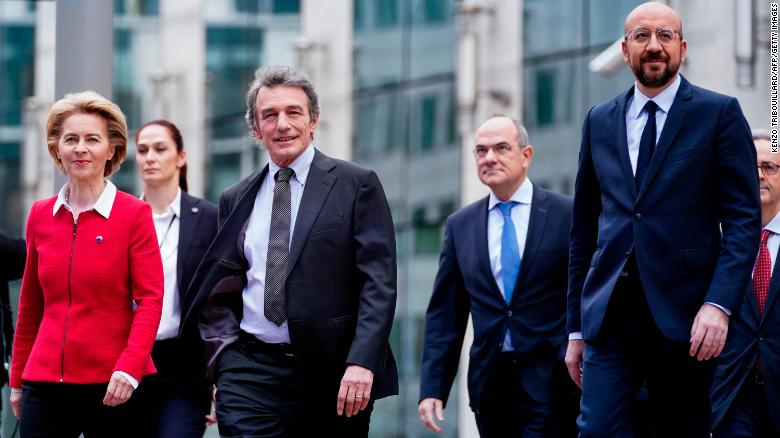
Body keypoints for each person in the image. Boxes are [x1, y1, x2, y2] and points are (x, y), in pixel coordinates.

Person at [565, 3, 760, 437]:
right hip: (611, 315)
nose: (654, 46)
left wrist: (719, 304)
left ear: (682, 47)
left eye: (665, 36)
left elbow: (744, 221)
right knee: (596, 430)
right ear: (625, 48)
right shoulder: (599, 121)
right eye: (642, 36)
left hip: (688, 317)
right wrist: (576, 328)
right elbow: (583, 232)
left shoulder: (718, 114)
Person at [179, 65, 398, 437]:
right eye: (270, 115)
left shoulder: (355, 184)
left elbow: (379, 283)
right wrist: (223, 363)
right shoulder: (236, 197)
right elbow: (225, 287)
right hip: (250, 371)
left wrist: (363, 361)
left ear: (313, 121)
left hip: (333, 372)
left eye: (293, 112)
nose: (283, 124)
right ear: (255, 129)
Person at [9, 91, 163, 437]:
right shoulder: (39, 215)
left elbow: (151, 299)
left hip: (114, 385)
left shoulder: (134, 214)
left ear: (111, 150)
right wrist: (17, 379)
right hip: (44, 382)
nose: (80, 148)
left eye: (92, 139)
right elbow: (30, 304)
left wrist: (130, 367)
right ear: (57, 149)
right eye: (70, 139)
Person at [418, 116, 574, 437]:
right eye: (481, 151)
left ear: (526, 155)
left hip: (554, 381)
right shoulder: (460, 225)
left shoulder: (566, 214)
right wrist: (433, 387)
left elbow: (585, 293)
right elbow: (446, 314)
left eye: (501, 148)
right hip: (491, 386)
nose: (489, 158)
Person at [131, 120, 218, 437]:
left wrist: (220, 378)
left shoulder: (210, 218)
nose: (149, 157)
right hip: (126, 365)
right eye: (142, 150)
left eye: (160, 149)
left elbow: (222, 302)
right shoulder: (119, 217)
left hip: (184, 370)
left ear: (181, 157)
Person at [710, 130, 780, 437]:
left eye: (769, 167)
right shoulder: (718, 243)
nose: (759, 175)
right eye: (750, 167)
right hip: (734, 394)